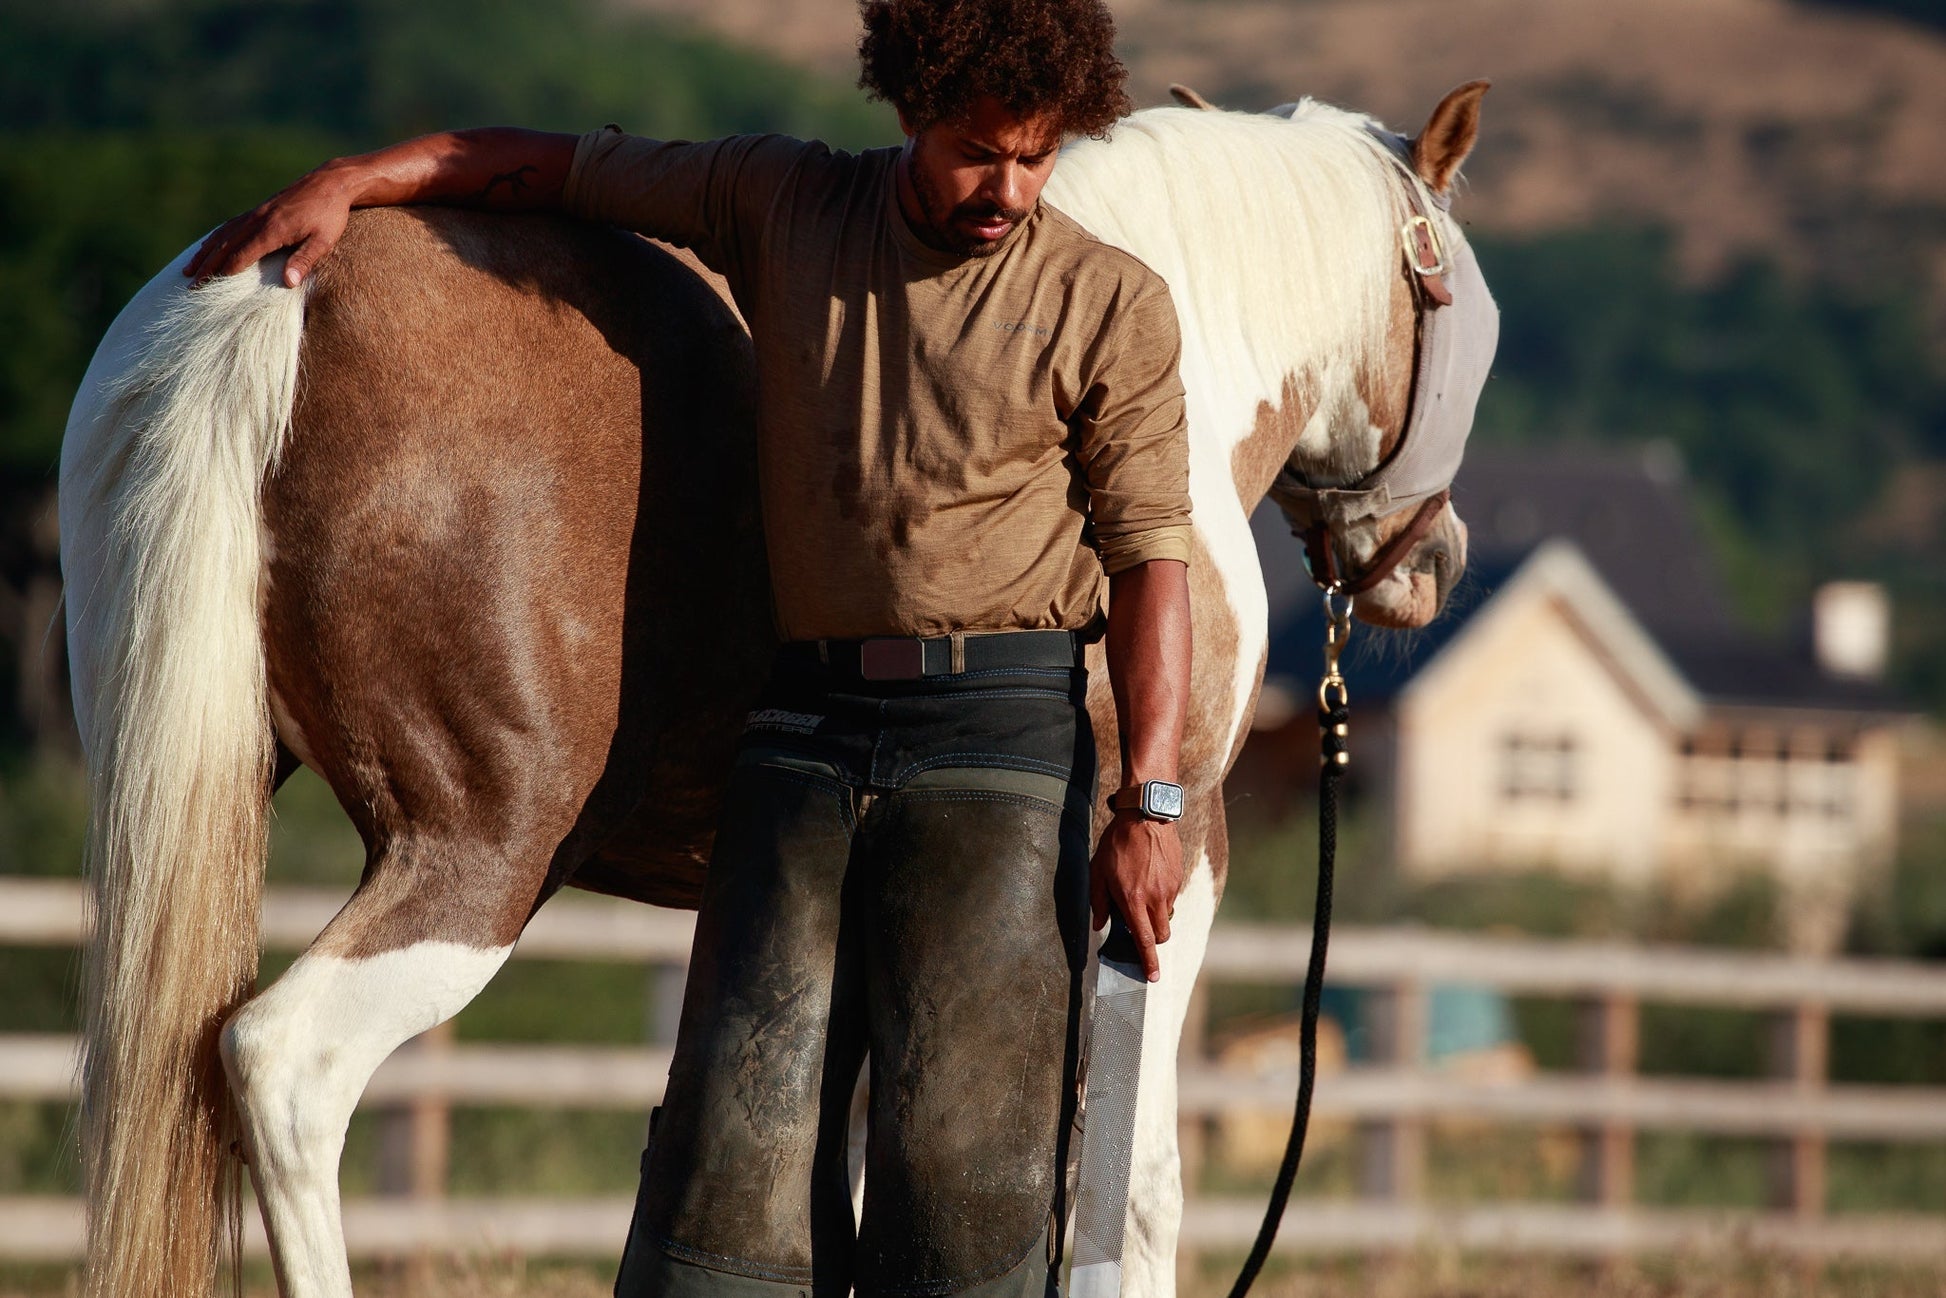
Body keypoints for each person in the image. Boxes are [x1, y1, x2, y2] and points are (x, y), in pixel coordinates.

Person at [189, 0, 1192, 1293]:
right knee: (725, 1173)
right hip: (800, 736)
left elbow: (1151, 557)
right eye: (974, 152)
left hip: (996, 747)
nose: (1004, 188)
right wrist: (350, 184)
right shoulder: (783, 202)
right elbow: (543, 165)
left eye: (1035, 157)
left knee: (962, 1182)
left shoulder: (1110, 304)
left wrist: (1149, 794)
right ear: (906, 112)